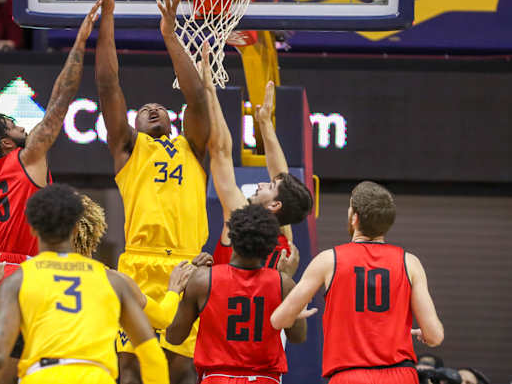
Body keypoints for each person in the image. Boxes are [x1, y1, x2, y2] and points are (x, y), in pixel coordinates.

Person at [0, 0, 101, 333]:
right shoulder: (29, 157)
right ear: (6, 143)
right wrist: (81, 42)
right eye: (15, 126)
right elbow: (61, 99)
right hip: (30, 271)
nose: (24, 127)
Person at [93, 0, 210, 384]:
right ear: (135, 124)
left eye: (159, 106)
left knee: (183, 371)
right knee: (129, 371)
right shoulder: (128, 149)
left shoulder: (192, 147)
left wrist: (169, 34)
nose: (152, 108)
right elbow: (108, 85)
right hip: (139, 266)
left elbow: (196, 99)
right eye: (144, 110)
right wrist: (108, 12)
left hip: (186, 264)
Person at [0, 183, 170, 384]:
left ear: (33, 229)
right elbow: (150, 352)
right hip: (97, 376)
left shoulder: (19, 279)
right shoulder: (113, 281)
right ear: (75, 228)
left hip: (44, 376)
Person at [270, 181, 445, 383]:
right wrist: (426, 333)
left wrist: (294, 313)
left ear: (355, 218)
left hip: (350, 376)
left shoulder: (329, 260)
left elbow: (279, 320)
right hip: (400, 375)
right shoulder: (410, 262)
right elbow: (435, 336)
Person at [0, 193, 197, 337]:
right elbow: (162, 319)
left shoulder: (29, 275)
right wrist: (173, 290)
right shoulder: (116, 281)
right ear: (94, 231)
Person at [167, 204, 311, 384]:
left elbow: (173, 337)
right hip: (263, 379)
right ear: (268, 246)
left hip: (217, 379)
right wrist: (292, 290)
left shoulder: (202, 280)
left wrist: (178, 290)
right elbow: (298, 337)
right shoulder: (283, 284)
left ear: (231, 236)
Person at [200, 52, 312, 272]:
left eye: (269, 186)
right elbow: (281, 176)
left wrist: (209, 91)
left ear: (274, 205)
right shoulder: (285, 247)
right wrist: (265, 125)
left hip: (221, 305)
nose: (262, 183)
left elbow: (221, 152)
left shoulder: (238, 221)